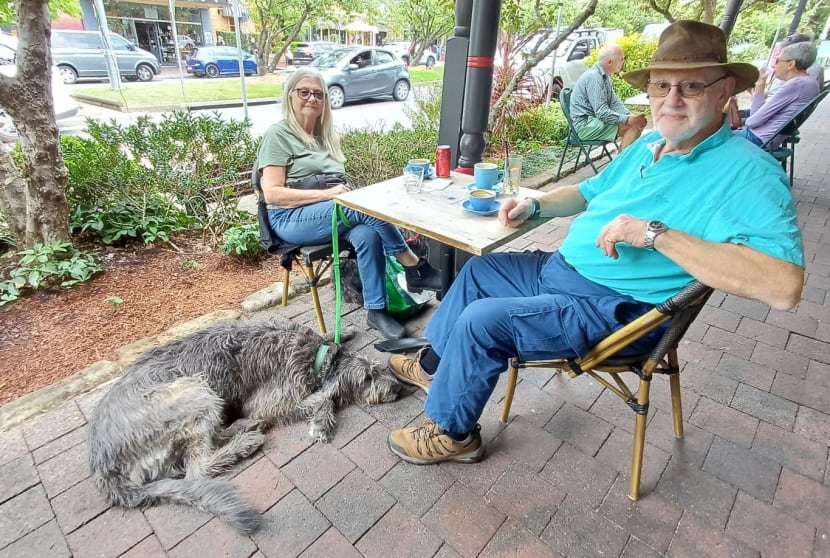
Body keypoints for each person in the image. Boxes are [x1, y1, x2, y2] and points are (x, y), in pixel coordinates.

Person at [385, 21, 804, 465]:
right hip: (563, 274)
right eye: (662, 85)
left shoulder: (748, 173)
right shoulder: (649, 145)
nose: (672, 99)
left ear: (724, 93)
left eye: (691, 86)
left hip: (615, 309)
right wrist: (537, 205)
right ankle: (434, 369)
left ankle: (454, 433)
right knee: (480, 270)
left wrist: (653, 234)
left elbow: (783, 287)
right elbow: (588, 192)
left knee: (484, 321)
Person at [254, 68, 442, 341]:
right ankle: (415, 268)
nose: (312, 98)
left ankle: (376, 311)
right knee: (362, 207)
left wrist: (338, 194)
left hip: (326, 214)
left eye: (319, 94)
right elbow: (272, 194)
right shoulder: (278, 134)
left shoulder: (326, 135)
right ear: (290, 96)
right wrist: (328, 195)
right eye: (304, 92)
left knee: (366, 234)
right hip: (289, 218)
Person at [729, 41, 820, 146]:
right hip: (771, 138)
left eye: (777, 61)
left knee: (709, 138)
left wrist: (759, 87)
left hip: (759, 139)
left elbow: (752, 122)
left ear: (791, 64)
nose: (774, 65)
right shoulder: (811, 83)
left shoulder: (796, 85)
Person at [569, 44, 647, 152]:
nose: (623, 62)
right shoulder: (594, 78)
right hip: (585, 127)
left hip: (594, 122)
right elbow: (601, 112)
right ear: (610, 61)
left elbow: (614, 103)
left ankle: (621, 159)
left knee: (634, 124)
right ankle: (621, 163)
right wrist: (629, 120)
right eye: (621, 59)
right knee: (632, 126)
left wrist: (630, 116)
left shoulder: (604, 77)